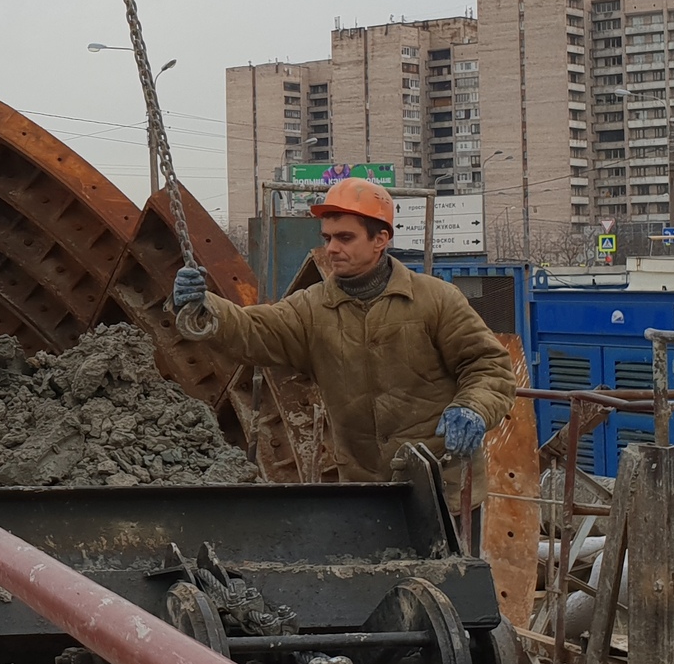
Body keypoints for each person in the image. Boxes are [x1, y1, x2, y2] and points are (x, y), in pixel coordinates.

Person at [172, 176, 513, 499]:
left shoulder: (436, 300)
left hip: (444, 488)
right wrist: (203, 306)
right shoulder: (311, 308)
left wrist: (473, 408)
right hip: (367, 492)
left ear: (380, 239)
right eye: (328, 238)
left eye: (345, 238)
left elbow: (489, 366)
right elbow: (253, 330)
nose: (332, 248)